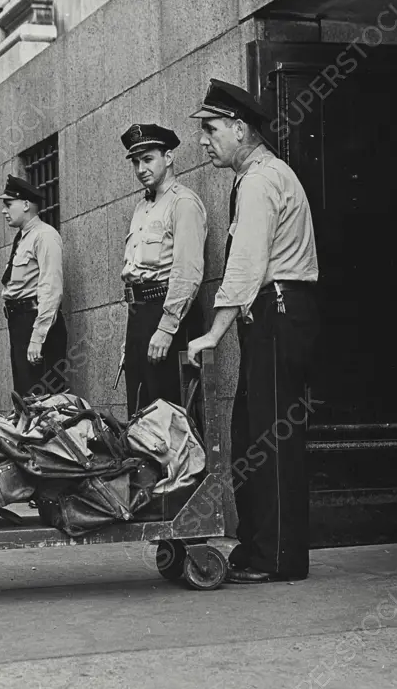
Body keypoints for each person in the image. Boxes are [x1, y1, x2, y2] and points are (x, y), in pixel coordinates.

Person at [186, 79, 320, 585]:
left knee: (272, 436)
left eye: (211, 128)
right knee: (254, 432)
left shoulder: (263, 179)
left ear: (240, 129)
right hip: (270, 313)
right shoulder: (255, 176)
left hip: (279, 311)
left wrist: (213, 332)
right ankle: (262, 546)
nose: (203, 139)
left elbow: (246, 264)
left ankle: (279, 556)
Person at [120, 123, 207, 415]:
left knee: (167, 408)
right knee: (140, 408)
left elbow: (188, 271)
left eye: (148, 159)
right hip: (140, 313)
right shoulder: (142, 207)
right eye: (135, 161)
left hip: (167, 311)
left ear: (168, 157)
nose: (140, 168)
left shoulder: (183, 203)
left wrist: (167, 329)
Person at [0, 174, 68, 397]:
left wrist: (38, 337)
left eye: (9, 204)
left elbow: (51, 289)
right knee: (26, 397)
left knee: (42, 401)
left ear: (26, 204)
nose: (4, 210)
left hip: (37, 321)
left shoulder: (45, 236)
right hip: (19, 323)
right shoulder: (23, 238)